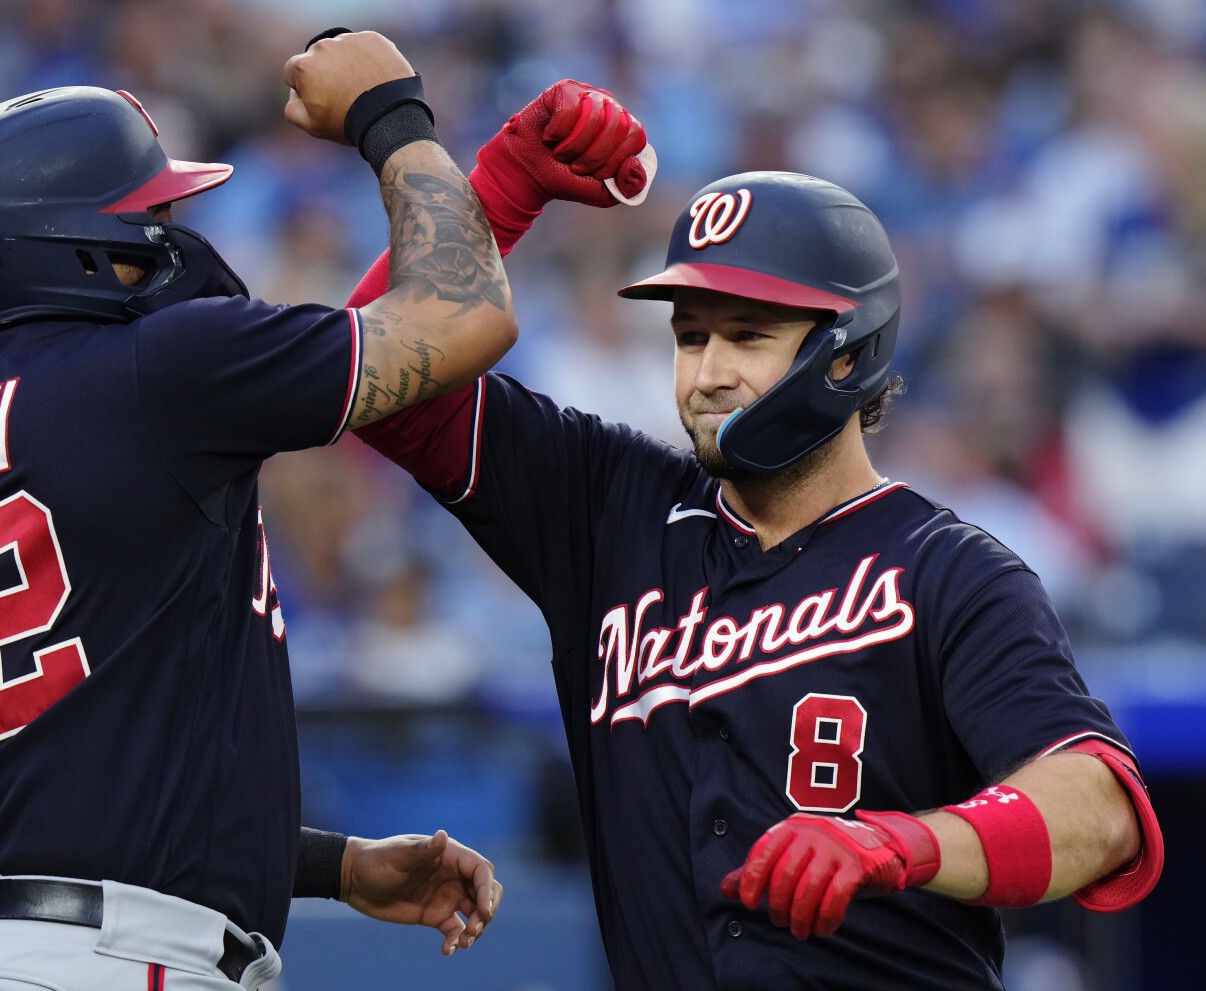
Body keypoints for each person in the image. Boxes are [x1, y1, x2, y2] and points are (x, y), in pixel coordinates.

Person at [349, 150, 1164, 982]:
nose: (708, 374)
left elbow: (1099, 810)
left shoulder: (949, 570)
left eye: (747, 336)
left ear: (847, 354)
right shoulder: (608, 510)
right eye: (691, 336)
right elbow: (369, 367)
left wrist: (904, 841)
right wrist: (506, 183)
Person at [0, 30, 535, 990]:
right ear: (71, 245)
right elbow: (467, 315)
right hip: (108, 965)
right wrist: (390, 111)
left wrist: (333, 865)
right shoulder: (150, 372)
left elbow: (73, 776)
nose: (171, 239)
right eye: (146, 218)